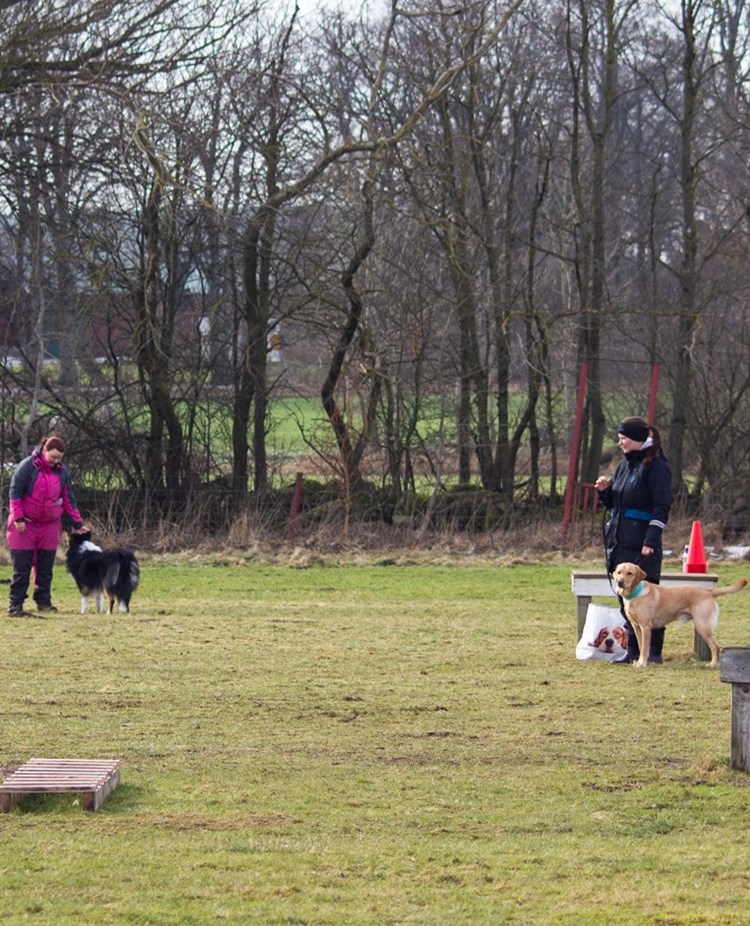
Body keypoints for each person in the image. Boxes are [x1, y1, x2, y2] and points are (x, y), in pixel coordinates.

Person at [594, 417, 672, 664]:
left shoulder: (657, 466)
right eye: (619, 438)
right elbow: (618, 503)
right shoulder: (625, 465)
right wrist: (605, 492)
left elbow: (662, 507)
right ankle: (633, 651)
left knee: (648, 599)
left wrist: (651, 539)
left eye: (624, 438)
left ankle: (654, 653)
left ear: (638, 438)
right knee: (625, 598)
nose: (621, 443)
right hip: (619, 540)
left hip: (642, 543)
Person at [6, 435, 85, 615]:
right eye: (53, 457)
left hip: (49, 525)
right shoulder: (27, 466)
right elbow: (15, 493)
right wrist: (18, 518)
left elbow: (68, 500)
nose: (56, 461)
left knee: (45, 566)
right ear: (45, 451)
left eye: (59, 458)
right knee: (22, 567)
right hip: (25, 524)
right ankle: (15, 605)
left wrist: (78, 523)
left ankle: (43, 601)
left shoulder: (62, 472)